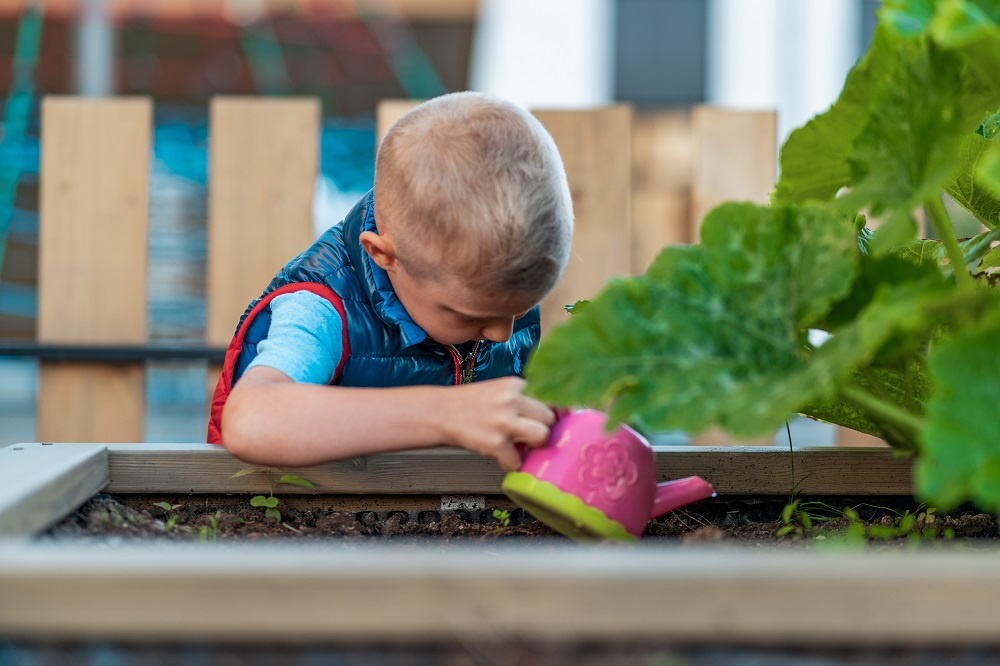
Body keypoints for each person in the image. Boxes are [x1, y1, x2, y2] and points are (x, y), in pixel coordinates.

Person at [207, 91, 574, 471]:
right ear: (384, 255)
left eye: (522, 309)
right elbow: (251, 420)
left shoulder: (486, 293)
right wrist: (447, 414)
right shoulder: (323, 310)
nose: (502, 333)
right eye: (470, 315)